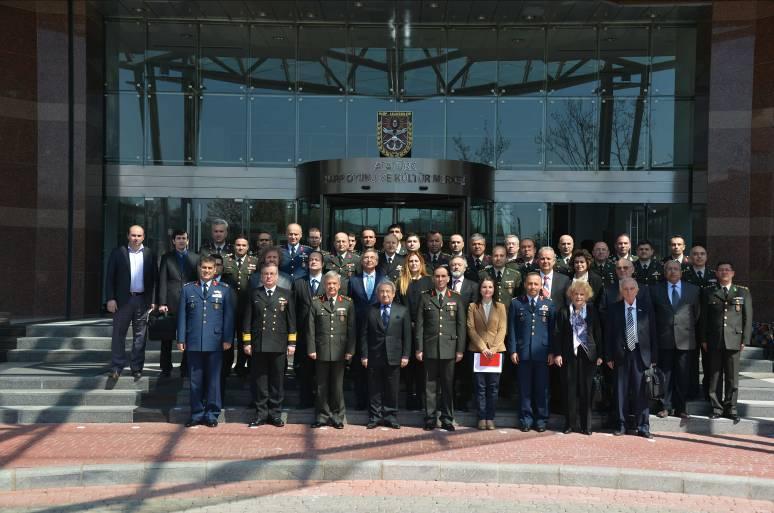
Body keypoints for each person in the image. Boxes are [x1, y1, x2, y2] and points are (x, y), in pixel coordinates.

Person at [177, 256, 234, 428]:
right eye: (204, 268)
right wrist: (181, 338)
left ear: (215, 270)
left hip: (215, 341)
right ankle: (196, 413)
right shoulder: (188, 289)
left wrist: (227, 338)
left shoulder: (224, 289)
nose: (207, 271)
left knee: (213, 380)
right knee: (195, 380)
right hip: (193, 341)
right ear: (199, 269)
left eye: (210, 268)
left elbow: (228, 317)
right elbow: (182, 316)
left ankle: (211, 413)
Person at [243, 263, 297, 427]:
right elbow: (247, 320)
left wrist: (292, 342)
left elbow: (291, 321)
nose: (268, 277)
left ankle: (275, 414)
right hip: (259, 343)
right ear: (261, 276)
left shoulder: (286, 294)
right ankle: (261, 414)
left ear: (277, 276)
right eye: (265, 274)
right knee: (260, 380)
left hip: (278, 344)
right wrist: (246, 341)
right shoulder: (254, 294)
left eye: (272, 274)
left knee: (277, 381)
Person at [699, 262, 752, 422]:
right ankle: (716, 407)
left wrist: (745, 339)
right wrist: (703, 339)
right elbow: (704, 318)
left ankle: (731, 407)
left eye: (727, 270)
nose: (724, 272)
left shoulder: (742, 292)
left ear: (733, 273)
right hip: (714, 339)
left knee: (732, 377)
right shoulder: (708, 292)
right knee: (715, 375)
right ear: (716, 273)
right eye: (721, 270)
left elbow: (747, 317)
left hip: (734, 339)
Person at [415, 265, 466, 431]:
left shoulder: (456, 298)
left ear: (449, 278)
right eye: (437, 276)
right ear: (433, 278)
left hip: (450, 348)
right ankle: (430, 418)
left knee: (447, 385)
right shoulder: (425, 298)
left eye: (443, 276)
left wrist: (460, 349)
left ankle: (447, 418)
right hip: (429, 347)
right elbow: (420, 326)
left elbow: (461, 326)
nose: (440, 279)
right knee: (429, 386)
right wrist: (419, 348)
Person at [605, 278, 657, 438]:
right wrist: (608, 356)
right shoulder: (613, 309)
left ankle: (643, 426)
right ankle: (621, 424)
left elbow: (653, 333)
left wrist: (653, 357)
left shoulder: (646, 308)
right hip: (621, 355)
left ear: (637, 290)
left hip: (641, 355)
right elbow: (608, 334)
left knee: (642, 391)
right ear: (621, 291)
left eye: (631, 288)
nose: (628, 292)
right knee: (620, 392)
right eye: (625, 289)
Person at [105, 225, 157, 380]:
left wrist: (154, 301)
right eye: (133, 235)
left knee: (140, 336)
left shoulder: (149, 254)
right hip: (122, 300)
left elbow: (154, 279)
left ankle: (136, 368)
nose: (136, 238)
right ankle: (116, 366)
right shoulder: (118, 252)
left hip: (142, 300)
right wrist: (110, 298)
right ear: (128, 236)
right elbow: (110, 277)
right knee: (118, 334)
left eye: (139, 235)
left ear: (144, 237)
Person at [651, 260, 700, 419]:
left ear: (681, 272)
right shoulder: (655, 290)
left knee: (683, 375)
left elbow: (696, 315)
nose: (673, 271)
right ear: (665, 272)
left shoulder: (693, 290)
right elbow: (652, 314)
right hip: (663, 338)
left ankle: (681, 407)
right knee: (665, 374)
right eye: (669, 269)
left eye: (676, 269)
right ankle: (665, 406)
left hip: (685, 338)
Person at [553, 281, 602, 435]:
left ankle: (586, 426)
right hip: (569, 356)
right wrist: (558, 353)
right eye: (576, 294)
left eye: (582, 294)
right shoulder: (564, 312)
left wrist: (600, 354)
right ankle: (569, 424)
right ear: (571, 296)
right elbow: (557, 334)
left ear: (586, 296)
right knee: (570, 391)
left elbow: (598, 333)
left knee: (586, 391)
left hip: (588, 356)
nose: (578, 297)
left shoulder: (593, 311)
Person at [508, 272, 556, 432]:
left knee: (542, 389)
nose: (533, 287)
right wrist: (513, 350)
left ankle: (541, 420)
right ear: (525, 285)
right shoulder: (516, 303)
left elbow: (552, 330)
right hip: (523, 353)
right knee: (524, 389)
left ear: (541, 285)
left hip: (542, 354)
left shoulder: (548, 304)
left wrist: (552, 352)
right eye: (530, 284)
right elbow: (512, 329)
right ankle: (526, 419)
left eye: (536, 284)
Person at [308, 271, 355, 429]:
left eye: (334, 283)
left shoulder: (347, 303)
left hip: (340, 350)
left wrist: (350, 350)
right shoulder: (316, 302)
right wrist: (311, 348)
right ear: (324, 285)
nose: (331, 286)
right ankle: (322, 416)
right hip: (321, 350)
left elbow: (351, 329)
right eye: (329, 283)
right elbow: (310, 328)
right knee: (321, 385)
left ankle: (337, 416)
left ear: (339, 285)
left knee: (337, 385)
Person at [361, 280, 411, 429]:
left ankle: (391, 416)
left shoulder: (402, 311)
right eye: (382, 292)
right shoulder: (370, 310)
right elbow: (364, 335)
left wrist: (405, 355)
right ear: (377, 294)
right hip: (374, 355)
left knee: (392, 387)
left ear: (394, 294)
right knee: (374, 387)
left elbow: (407, 336)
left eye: (388, 291)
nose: (385, 294)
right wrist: (364, 355)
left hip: (394, 356)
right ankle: (375, 416)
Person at [466, 277, 507, 430]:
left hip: (496, 352)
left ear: (494, 289)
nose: (487, 290)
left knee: (493, 386)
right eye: (484, 287)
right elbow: (470, 328)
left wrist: (493, 348)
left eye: (490, 287)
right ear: (480, 289)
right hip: (478, 351)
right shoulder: (472, 306)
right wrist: (483, 348)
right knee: (480, 386)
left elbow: (502, 329)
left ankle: (490, 417)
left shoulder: (501, 307)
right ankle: (481, 417)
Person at [157, 229, 199, 377]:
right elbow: (162, 280)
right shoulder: (166, 258)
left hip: (190, 302)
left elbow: (198, 281)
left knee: (188, 335)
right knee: (167, 336)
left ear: (188, 240)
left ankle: (185, 367)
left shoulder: (195, 258)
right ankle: (165, 367)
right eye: (179, 238)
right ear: (173, 241)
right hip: (171, 302)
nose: (182, 241)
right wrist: (161, 302)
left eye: (184, 238)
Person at [395, 251, 432, 410]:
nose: (414, 264)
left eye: (416, 261)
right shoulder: (401, 282)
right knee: (408, 365)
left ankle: (423, 400)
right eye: (411, 261)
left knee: (422, 365)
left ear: (421, 263)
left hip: (424, 328)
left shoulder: (429, 281)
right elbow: (397, 304)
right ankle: (410, 397)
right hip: (406, 328)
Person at [347, 248, 384, 410]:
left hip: (378, 329)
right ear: (361, 261)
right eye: (366, 257)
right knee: (358, 367)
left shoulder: (384, 279)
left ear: (377, 261)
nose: (369, 260)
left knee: (376, 368)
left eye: (372, 258)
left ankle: (374, 402)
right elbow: (349, 303)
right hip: (358, 327)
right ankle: (360, 400)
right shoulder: (353, 280)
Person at [221, 236, 259, 379]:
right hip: (229, 307)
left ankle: (241, 366)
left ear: (248, 247)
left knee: (244, 338)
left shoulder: (254, 262)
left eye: (243, 245)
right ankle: (227, 365)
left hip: (246, 307)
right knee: (228, 338)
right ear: (234, 246)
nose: (240, 247)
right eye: (238, 245)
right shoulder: (226, 261)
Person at [293, 250, 325, 408]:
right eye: (311, 259)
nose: (313, 262)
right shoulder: (299, 283)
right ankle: (305, 401)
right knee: (305, 370)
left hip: (324, 333)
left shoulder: (329, 282)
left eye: (316, 260)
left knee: (322, 372)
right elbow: (293, 309)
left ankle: (321, 402)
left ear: (322, 264)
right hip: (304, 333)